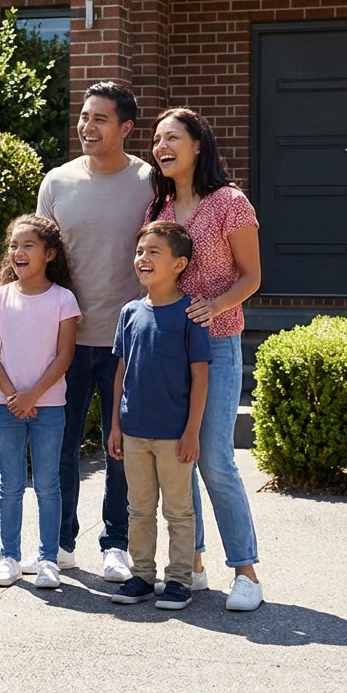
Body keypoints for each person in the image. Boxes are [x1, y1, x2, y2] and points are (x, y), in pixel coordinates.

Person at [34, 81, 154, 581]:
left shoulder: (150, 182)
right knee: (59, 445)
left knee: (119, 445)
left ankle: (116, 544)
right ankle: (60, 543)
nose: (87, 126)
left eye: (100, 119)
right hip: (67, 342)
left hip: (127, 344)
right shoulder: (57, 182)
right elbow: (41, 261)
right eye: (84, 117)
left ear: (125, 128)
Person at [147, 107, 264, 612]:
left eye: (171, 137)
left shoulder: (229, 203)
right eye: (156, 139)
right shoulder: (159, 210)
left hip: (216, 343)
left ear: (198, 145)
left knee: (215, 458)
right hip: (170, 349)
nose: (161, 146)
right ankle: (191, 565)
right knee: (180, 459)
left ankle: (246, 574)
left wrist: (216, 306)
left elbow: (252, 276)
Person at [108, 221, 211, 611]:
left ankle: (180, 581)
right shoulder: (130, 312)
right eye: (140, 252)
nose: (143, 258)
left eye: (154, 252)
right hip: (133, 433)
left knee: (179, 511)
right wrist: (116, 425)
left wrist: (192, 432)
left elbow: (200, 376)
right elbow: (121, 372)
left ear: (180, 264)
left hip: (174, 436)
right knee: (138, 508)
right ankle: (142, 575)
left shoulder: (191, 314)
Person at [0, 214, 81, 589]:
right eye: (13, 245)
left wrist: (32, 395)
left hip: (49, 407)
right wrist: (12, 396)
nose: (18, 252)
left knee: (47, 485)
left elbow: (65, 354)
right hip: (5, 407)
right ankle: (8, 557)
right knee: (10, 484)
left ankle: (48, 560)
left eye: (28, 245)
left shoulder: (63, 299)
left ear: (49, 253)